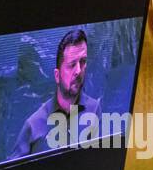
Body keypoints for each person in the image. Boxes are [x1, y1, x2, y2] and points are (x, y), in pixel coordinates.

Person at [9, 29, 102, 161]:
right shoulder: (33, 125)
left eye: (82, 62)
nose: (78, 71)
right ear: (57, 76)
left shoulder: (94, 109)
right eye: (72, 65)